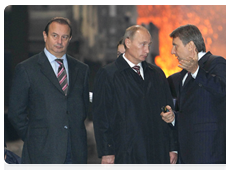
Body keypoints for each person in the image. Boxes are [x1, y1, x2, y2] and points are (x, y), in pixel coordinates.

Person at [8, 17, 89, 170]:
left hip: (75, 153)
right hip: (42, 153)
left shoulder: (81, 69)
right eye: (54, 35)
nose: (59, 41)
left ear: (70, 39)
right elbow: (15, 113)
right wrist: (34, 138)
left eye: (64, 37)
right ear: (45, 36)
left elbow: (82, 109)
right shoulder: (27, 69)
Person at [92, 25, 177, 170]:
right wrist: (107, 151)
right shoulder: (109, 75)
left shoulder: (157, 74)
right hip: (125, 153)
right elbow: (101, 115)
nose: (147, 50)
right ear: (128, 42)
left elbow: (167, 109)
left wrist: (172, 147)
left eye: (149, 45)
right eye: (142, 44)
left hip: (156, 152)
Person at [161, 24, 226, 170]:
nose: (172, 51)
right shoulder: (181, 75)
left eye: (175, 45)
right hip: (186, 155)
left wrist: (196, 70)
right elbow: (190, 111)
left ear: (191, 46)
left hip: (208, 153)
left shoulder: (217, 63)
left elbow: (221, 90)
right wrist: (174, 118)